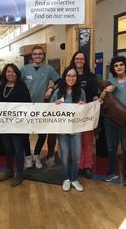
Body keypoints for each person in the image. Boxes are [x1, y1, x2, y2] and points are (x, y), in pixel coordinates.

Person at [20, 45, 60, 168]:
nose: (38, 56)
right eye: (35, 54)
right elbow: (18, 85)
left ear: (43, 55)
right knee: (24, 134)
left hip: (42, 107)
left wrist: (51, 88)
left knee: (42, 134)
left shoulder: (48, 69)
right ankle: (28, 156)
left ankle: (36, 155)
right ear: (31, 56)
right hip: (26, 107)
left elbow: (59, 82)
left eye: (40, 54)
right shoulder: (24, 69)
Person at [51, 66, 86, 192]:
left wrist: (83, 106)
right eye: (68, 75)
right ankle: (66, 178)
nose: (71, 78)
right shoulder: (58, 91)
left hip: (76, 129)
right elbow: (50, 109)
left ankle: (74, 179)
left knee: (76, 156)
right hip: (62, 129)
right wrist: (55, 105)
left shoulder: (81, 92)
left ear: (77, 78)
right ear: (64, 77)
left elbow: (85, 112)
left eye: (74, 76)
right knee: (65, 156)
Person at [0, 64, 31, 186]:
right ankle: (9, 171)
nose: (10, 74)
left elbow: (28, 104)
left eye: (13, 72)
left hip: (18, 125)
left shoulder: (22, 86)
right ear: (5, 74)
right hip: (5, 125)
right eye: (8, 71)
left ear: (17, 74)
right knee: (8, 149)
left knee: (18, 149)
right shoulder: (2, 86)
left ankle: (20, 173)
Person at [69, 51, 99, 179]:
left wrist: (97, 99)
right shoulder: (69, 73)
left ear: (85, 61)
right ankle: (79, 165)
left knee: (87, 141)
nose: (79, 61)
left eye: (82, 59)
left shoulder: (91, 76)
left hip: (87, 113)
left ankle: (87, 166)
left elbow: (94, 93)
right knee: (77, 140)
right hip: (72, 114)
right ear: (74, 60)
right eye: (77, 58)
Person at [103, 56, 126, 185]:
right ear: (113, 68)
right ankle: (112, 171)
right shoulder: (110, 82)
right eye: (116, 65)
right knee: (111, 148)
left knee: (125, 148)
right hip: (110, 119)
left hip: (125, 120)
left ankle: (125, 174)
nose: (119, 67)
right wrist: (106, 90)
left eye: (121, 64)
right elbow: (101, 99)